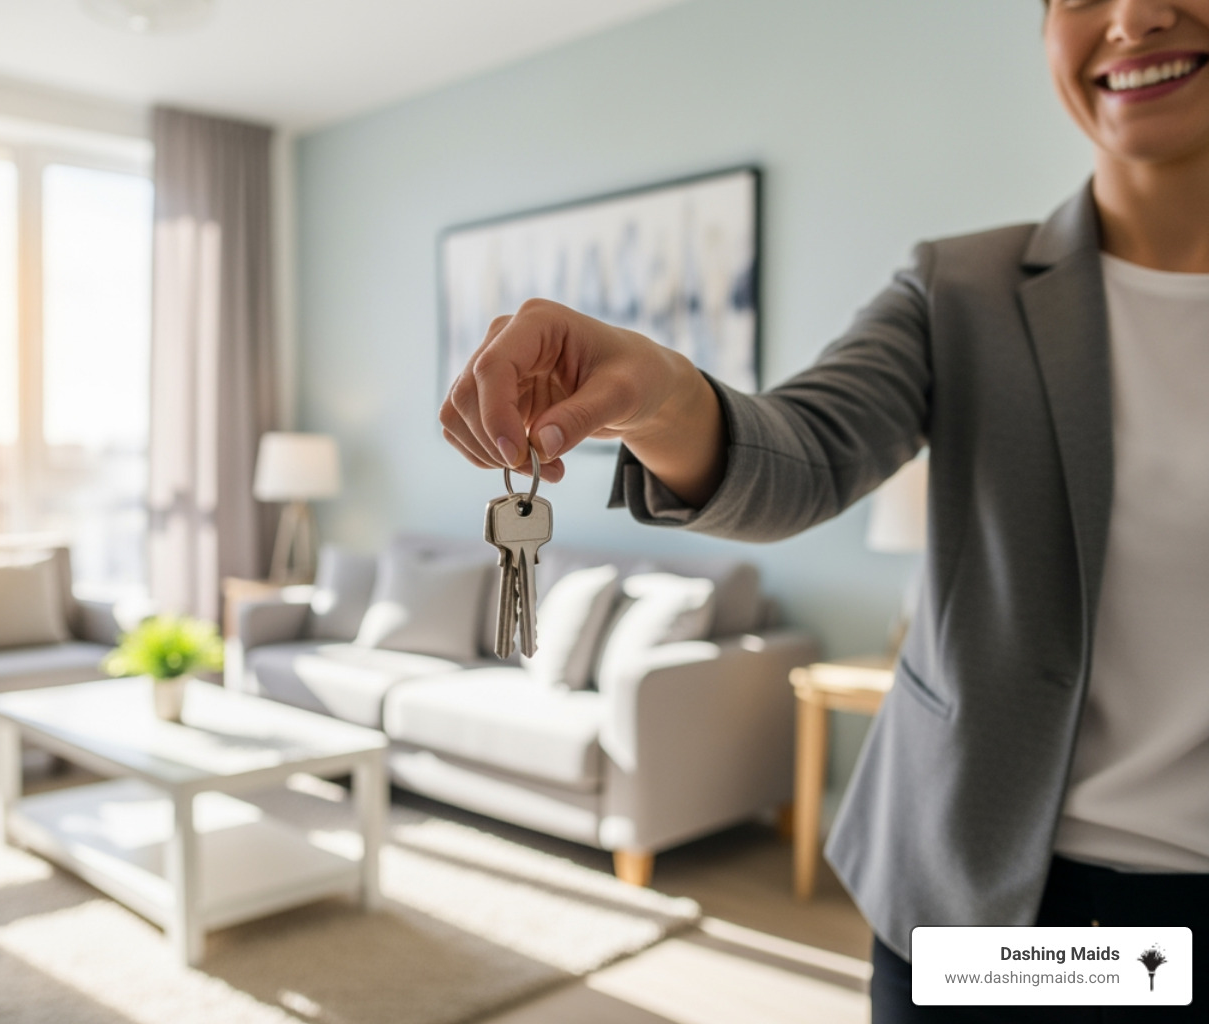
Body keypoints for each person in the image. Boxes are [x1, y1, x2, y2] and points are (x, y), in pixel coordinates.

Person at [438, 1, 1209, 1021]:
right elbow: (806, 449)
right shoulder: (963, 289)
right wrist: (666, 396)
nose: (1134, 17)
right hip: (986, 901)